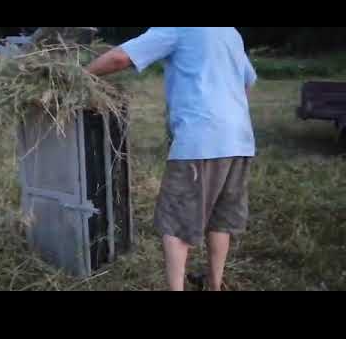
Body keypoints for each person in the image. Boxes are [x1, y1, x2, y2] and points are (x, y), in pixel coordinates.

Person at [87, 27, 257, 291]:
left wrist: (80, 75)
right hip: (239, 139)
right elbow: (248, 80)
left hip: (201, 140)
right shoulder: (230, 31)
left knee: (176, 224)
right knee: (220, 220)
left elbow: (120, 58)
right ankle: (214, 285)